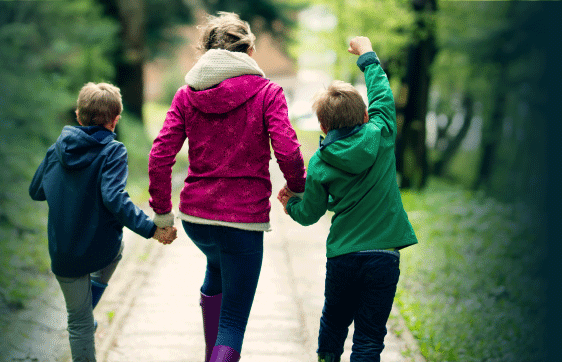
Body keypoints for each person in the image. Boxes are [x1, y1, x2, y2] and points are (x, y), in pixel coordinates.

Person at [148, 12, 306, 362]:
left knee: (217, 268)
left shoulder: (186, 95)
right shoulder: (268, 92)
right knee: (233, 322)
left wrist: (162, 214)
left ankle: (211, 355)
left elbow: (160, 154)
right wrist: (297, 188)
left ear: (205, 51)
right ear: (249, 50)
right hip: (243, 220)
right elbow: (288, 150)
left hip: (197, 219)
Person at [278, 37, 418, 362]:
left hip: (343, 257)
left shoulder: (320, 162)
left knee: (334, 323)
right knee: (370, 337)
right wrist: (367, 55)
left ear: (322, 125)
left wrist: (290, 205)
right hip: (383, 257)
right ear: (366, 114)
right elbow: (382, 93)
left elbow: (310, 213)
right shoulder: (381, 134)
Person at [29, 82, 177, 362]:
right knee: (117, 248)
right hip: (101, 250)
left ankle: (84, 313)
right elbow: (114, 197)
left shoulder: (56, 149)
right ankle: (87, 311)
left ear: (77, 114)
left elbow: (36, 190)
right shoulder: (113, 151)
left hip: (64, 252)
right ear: (116, 119)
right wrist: (150, 229)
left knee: (78, 322)